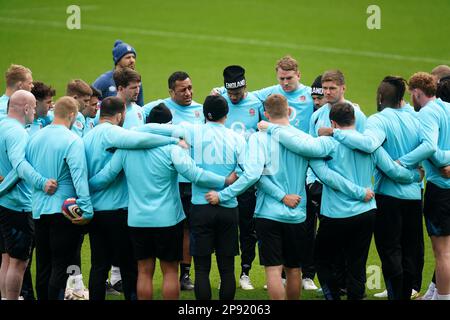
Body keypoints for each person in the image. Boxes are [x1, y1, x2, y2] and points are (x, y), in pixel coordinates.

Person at [206, 94, 360, 300]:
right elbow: (323, 174)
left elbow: (253, 176)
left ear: (266, 114)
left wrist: (223, 195)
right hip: (297, 215)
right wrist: (356, 190)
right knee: (294, 270)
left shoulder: (258, 138)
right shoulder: (303, 139)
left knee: (273, 270)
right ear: (288, 111)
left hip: (267, 214)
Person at [87, 111, 237, 300]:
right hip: (168, 220)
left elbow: (105, 177)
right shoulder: (173, 149)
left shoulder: (126, 150)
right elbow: (195, 175)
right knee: (170, 272)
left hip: (137, 220)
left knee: (144, 272)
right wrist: (224, 180)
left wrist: (82, 188)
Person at [321, 76, 424, 299]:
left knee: (390, 251)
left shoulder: (378, 120)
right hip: (415, 196)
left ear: (379, 97)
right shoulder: (415, 118)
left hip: (387, 196)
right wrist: (415, 176)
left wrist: (335, 133)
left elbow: (368, 145)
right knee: (410, 251)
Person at [83, 96, 183, 300]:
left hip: (95, 210)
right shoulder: (114, 133)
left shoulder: (87, 136)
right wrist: (172, 140)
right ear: (120, 115)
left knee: (98, 265)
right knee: (131, 267)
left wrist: (85, 189)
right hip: (118, 210)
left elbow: (95, 174)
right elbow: (140, 140)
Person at [27, 96, 93, 300]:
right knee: (62, 265)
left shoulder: (35, 138)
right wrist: (87, 209)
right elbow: (79, 177)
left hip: (38, 210)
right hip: (64, 213)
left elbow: (26, 169)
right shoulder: (72, 140)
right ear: (72, 115)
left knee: (43, 265)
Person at [143, 71, 203, 290]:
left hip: (189, 179)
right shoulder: (155, 108)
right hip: (167, 180)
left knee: (188, 227)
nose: (188, 93)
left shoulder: (200, 110)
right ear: (171, 91)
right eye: (182, 90)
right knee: (169, 226)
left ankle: (185, 275)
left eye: (190, 88)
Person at [185, 95, 245, 300]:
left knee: (201, 268)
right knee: (227, 268)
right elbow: (244, 170)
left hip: (201, 206)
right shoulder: (236, 137)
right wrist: (227, 181)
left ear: (204, 114)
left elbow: (187, 168)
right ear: (226, 115)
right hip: (228, 206)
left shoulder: (192, 134)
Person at [397, 72, 450, 300]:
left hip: (440, 190)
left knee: (443, 252)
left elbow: (430, 148)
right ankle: (435, 293)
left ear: (417, 93)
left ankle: (443, 297)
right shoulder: (447, 107)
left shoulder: (428, 113)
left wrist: (402, 162)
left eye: (412, 95)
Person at [0, 90, 57, 300]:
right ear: (26, 108)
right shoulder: (18, 133)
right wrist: (42, 183)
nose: (35, 112)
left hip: (4, 205)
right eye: (33, 107)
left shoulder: (2, 125)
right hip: (18, 205)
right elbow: (20, 166)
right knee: (18, 262)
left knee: (6, 259)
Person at [217, 65, 264, 290]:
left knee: (247, 226)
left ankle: (245, 272)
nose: (233, 98)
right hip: (224, 177)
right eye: (230, 93)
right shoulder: (220, 99)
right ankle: (224, 274)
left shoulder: (256, 104)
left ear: (245, 86)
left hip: (246, 178)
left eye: (237, 93)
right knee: (225, 227)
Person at [302, 75, 327, 291]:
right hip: (308, 182)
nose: (316, 101)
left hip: (328, 184)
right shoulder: (312, 115)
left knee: (326, 232)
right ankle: (307, 274)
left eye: (319, 97)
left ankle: (323, 277)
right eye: (314, 97)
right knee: (306, 229)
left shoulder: (344, 114)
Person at [93, 40, 144, 106]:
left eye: (133, 57)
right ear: (118, 60)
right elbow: (90, 102)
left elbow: (140, 106)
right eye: (128, 57)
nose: (132, 60)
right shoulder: (104, 80)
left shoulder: (135, 81)